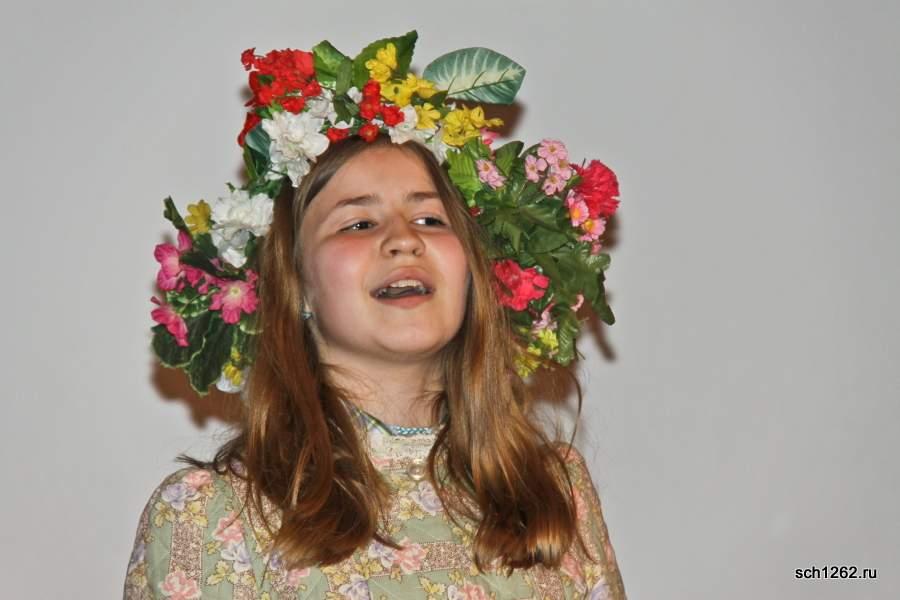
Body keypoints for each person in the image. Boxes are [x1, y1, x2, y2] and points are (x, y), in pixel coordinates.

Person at [126, 34, 625, 599]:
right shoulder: (208, 515)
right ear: (297, 287)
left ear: (472, 274)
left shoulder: (553, 492)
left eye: (431, 220)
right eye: (358, 224)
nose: (404, 240)